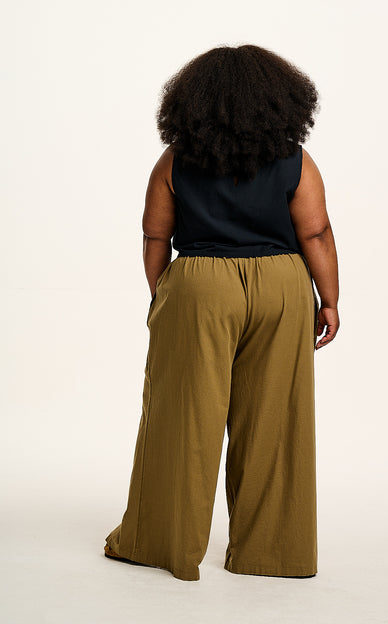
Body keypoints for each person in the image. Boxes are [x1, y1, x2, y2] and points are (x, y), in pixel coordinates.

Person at [104, 43, 340, 582]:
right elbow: (316, 232)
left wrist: (164, 292)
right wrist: (328, 298)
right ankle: (273, 553)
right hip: (282, 286)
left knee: (183, 418)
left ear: (192, 102)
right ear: (280, 100)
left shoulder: (174, 160)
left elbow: (155, 235)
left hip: (199, 285)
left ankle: (164, 545)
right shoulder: (296, 159)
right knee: (275, 421)